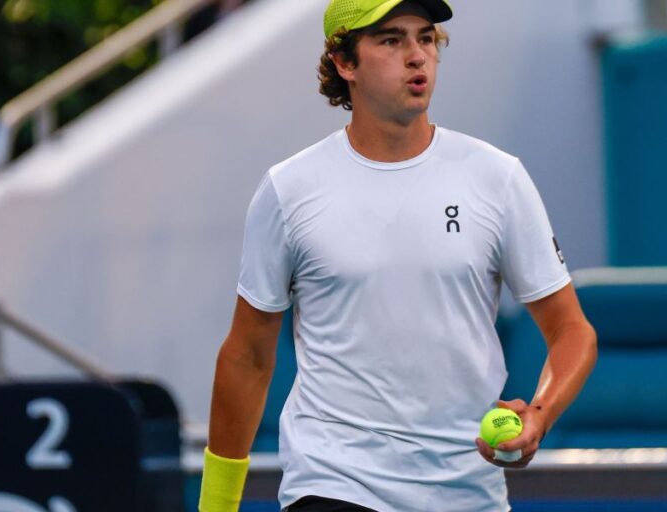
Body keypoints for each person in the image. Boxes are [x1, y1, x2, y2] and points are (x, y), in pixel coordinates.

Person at [198, 1, 597, 510]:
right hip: (333, 480)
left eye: (426, 38)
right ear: (346, 63)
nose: (417, 57)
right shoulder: (288, 190)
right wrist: (216, 504)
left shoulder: (498, 179)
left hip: (467, 490)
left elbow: (572, 331)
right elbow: (248, 355)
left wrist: (539, 412)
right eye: (391, 40)